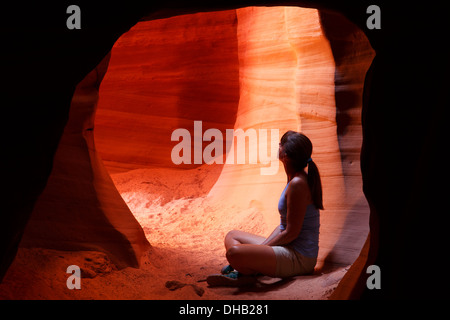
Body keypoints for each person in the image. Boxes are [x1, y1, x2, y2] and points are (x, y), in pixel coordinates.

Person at [207, 130, 323, 286]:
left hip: (300, 257)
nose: (278, 145)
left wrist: (262, 250)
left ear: (286, 156)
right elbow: (283, 226)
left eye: (281, 144)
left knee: (234, 253)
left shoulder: (298, 184)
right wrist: (261, 250)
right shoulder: (294, 179)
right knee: (232, 236)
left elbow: (291, 233)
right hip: (288, 247)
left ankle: (246, 273)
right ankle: (248, 270)